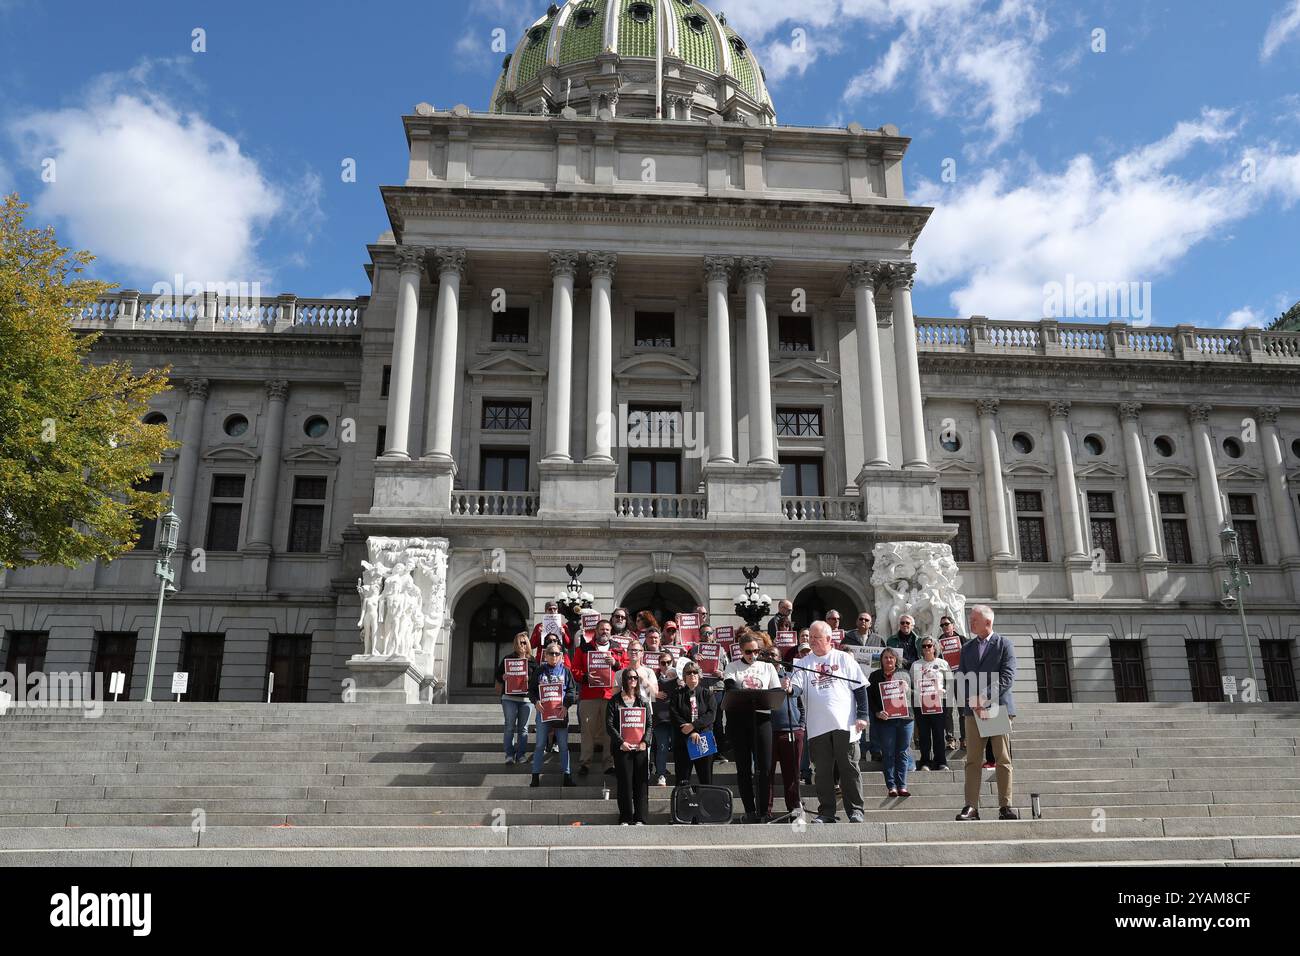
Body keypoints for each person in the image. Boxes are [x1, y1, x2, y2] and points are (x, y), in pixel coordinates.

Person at [788, 621, 871, 823]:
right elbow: (797, 688)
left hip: (845, 724)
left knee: (849, 768)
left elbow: (860, 689)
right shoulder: (802, 663)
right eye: (811, 637)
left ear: (828, 639)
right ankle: (826, 812)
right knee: (823, 772)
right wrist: (790, 689)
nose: (813, 641)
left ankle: (856, 810)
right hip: (817, 728)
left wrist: (863, 715)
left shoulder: (843, 658)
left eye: (817, 637)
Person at [955, 605, 1019, 821]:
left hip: (995, 708)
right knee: (972, 760)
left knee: (1001, 758)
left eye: (974, 619)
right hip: (973, 710)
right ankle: (971, 806)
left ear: (988, 622)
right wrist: (972, 702)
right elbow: (961, 677)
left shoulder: (1004, 645)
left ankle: (1005, 806)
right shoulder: (967, 647)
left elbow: (1007, 677)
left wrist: (983, 698)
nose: (970, 622)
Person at [721, 631, 782, 823]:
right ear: (741, 651)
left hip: (762, 719)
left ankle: (764, 810)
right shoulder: (733, 666)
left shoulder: (767, 667)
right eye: (748, 652)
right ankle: (750, 810)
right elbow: (730, 688)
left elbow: (776, 691)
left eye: (756, 651)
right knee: (744, 767)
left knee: (764, 767)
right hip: (740, 720)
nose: (752, 655)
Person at [571, 618, 628, 778]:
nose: (604, 632)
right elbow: (574, 669)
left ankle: (608, 763)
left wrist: (616, 663)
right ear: (596, 631)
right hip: (589, 695)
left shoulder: (618, 649)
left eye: (607, 630)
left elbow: (627, 669)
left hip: (611, 695)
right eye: (601, 629)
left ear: (611, 632)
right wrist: (585, 677)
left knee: (610, 731)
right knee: (587, 731)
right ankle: (585, 763)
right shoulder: (584, 648)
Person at [528, 643, 579, 787]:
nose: (554, 656)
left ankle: (567, 775)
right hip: (543, 713)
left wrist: (566, 705)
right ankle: (535, 776)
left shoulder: (566, 671)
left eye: (557, 653)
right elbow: (531, 690)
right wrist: (536, 701)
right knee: (539, 745)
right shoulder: (539, 671)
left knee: (563, 745)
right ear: (545, 655)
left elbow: (572, 691)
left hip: (560, 712)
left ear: (562, 656)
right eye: (551, 653)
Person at [606, 669, 650, 825]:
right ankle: (625, 817)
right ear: (624, 680)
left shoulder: (642, 701)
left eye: (635, 677)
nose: (632, 680)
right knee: (625, 784)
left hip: (640, 749)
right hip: (622, 749)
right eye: (630, 677)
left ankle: (640, 818)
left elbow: (650, 725)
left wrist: (645, 742)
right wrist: (620, 742)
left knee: (641, 784)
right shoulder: (614, 701)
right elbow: (609, 725)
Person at [868, 648, 913, 798]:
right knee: (888, 753)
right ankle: (891, 786)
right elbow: (870, 699)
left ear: (896, 660)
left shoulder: (905, 674)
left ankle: (903, 785)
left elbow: (916, 694)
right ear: (881, 660)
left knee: (903, 752)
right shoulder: (874, 676)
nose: (888, 660)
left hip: (905, 719)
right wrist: (877, 712)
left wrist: (908, 690)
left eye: (891, 658)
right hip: (885, 720)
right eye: (886, 658)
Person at [767, 646, 805, 818]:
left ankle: (794, 808)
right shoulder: (761, 676)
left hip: (791, 729)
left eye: (774, 655)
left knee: (792, 773)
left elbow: (799, 694)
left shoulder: (789, 676)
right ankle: (766, 810)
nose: (771, 657)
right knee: (767, 774)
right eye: (767, 655)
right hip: (768, 732)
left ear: (780, 658)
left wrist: (801, 725)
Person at [670, 661, 717, 786]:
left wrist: (693, 727)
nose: (692, 675)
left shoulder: (708, 694)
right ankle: (683, 804)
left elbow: (711, 715)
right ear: (684, 676)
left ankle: (707, 804)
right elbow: (674, 715)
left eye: (695, 672)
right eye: (689, 673)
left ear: (700, 675)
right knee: (682, 779)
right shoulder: (677, 694)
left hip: (703, 739)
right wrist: (690, 732)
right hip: (683, 740)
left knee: (706, 778)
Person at [910, 636, 952, 771]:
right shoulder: (915, 665)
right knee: (924, 734)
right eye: (924, 646)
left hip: (939, 702)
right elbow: (912, 684)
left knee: (939, 733)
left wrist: (944, 690)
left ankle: (941, 761)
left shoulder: (943, 663)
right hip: (920, 704)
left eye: (929, 645)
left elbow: (950, 682)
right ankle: (925, 762)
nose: (927, 648)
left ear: (935, 647)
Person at [495, 632, 537, 765]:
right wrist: (503, 677)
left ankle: (521, 755)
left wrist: (529, 679)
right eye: (519, 642)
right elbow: (497, 675)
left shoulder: (532, 661)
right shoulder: (508, 659)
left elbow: (538, 680)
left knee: (523, 728)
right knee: (509, 726)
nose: (522, 645)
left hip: (526, 699)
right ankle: (509, 755)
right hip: (509, 698)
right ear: (515, 644)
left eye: (524, 642)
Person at [650, 651, 679, 785]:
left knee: (678, 747)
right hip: (660, 718)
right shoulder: (653, 677)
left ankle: (681, 774)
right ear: (659, 664)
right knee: (662, 747)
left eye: (669, 662)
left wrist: (680, 680)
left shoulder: (679, 677)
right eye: (663, 663)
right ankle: (661, 774)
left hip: (676, 718)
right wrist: (654, 693)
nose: (666, 665)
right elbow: (642, 690)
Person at [615, 639, 659, 706]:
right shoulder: (619, 673)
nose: (633, 652)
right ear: (627, 652)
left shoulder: (649, 672)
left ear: (642, 653)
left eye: (636, 650)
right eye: (631, 650)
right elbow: (615, 696)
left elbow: (654, 694)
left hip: (645, 711)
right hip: (625, 711)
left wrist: (643, 679)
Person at [795, 640, 815, 784]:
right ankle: (805, 772)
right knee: (805, 745)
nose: (806, 654)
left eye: (808, 651)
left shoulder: (817, 666)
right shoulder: (795, 668)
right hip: (803, 711)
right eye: (803, 652)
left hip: (817, 710)